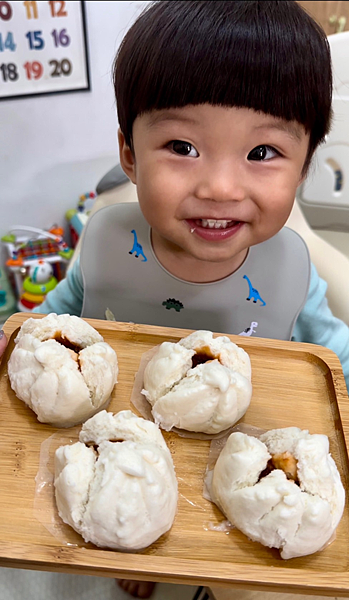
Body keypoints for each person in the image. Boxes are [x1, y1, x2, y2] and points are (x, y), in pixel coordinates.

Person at [1, 1, 349, 598]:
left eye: (262, 153)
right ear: (130, 155)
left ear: (304, 166)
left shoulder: (293, 270)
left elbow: (331, 358)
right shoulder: (107, 242)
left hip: (242, 470)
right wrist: (16, 330)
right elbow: (62, 307)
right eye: (183, 147)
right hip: (109, 451)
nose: (219, 187)